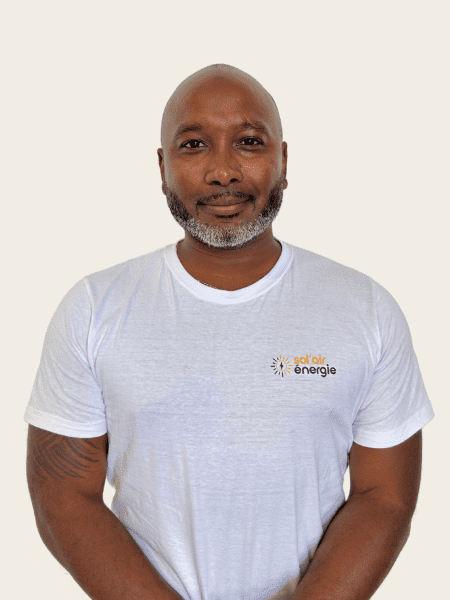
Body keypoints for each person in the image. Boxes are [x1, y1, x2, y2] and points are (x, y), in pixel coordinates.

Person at [25, 64, 434, 600]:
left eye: (249, 142)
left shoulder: (366, 309)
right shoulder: (94, 308)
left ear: (283, 161)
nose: (222, 171)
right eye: (194, 145)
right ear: (163, 167)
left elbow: (384, 497)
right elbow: (63, 495)